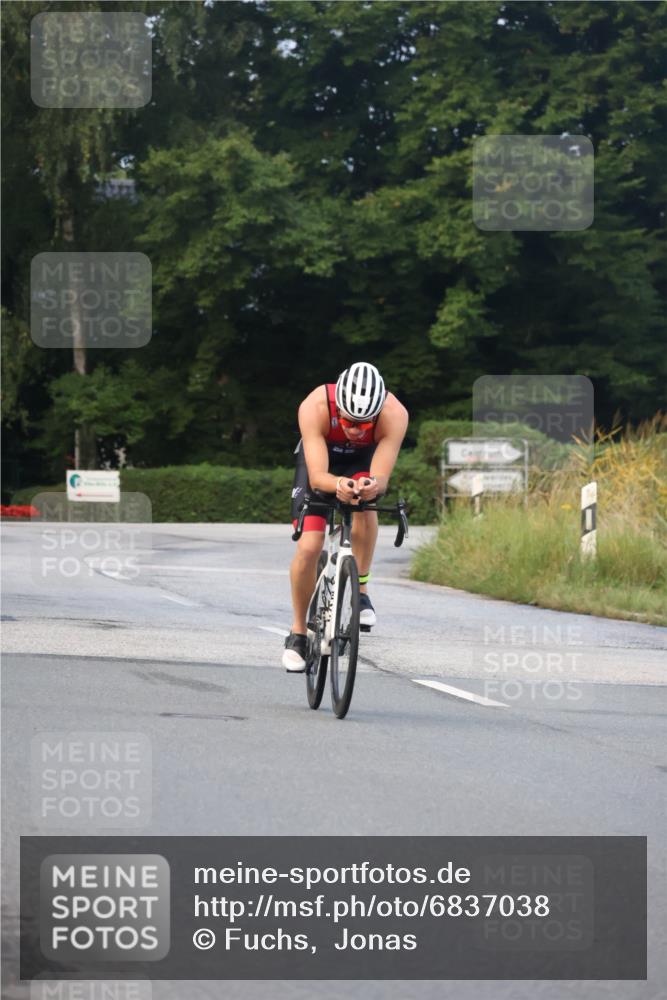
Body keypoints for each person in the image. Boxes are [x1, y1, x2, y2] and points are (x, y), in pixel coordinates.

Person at [283, 362, 409, 672]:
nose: (354, 429)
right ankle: (298, 632)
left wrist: (369, 486)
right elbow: (317, 477)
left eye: (364, 424)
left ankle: (361, 592)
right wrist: (338, 484)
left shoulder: (395, 414)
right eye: (349, 420)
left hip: (361, 463)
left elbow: (380, 476)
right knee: (310, 547)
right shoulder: (315, 405)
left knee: (366, 507)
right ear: (337, 406)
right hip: (321, 464)